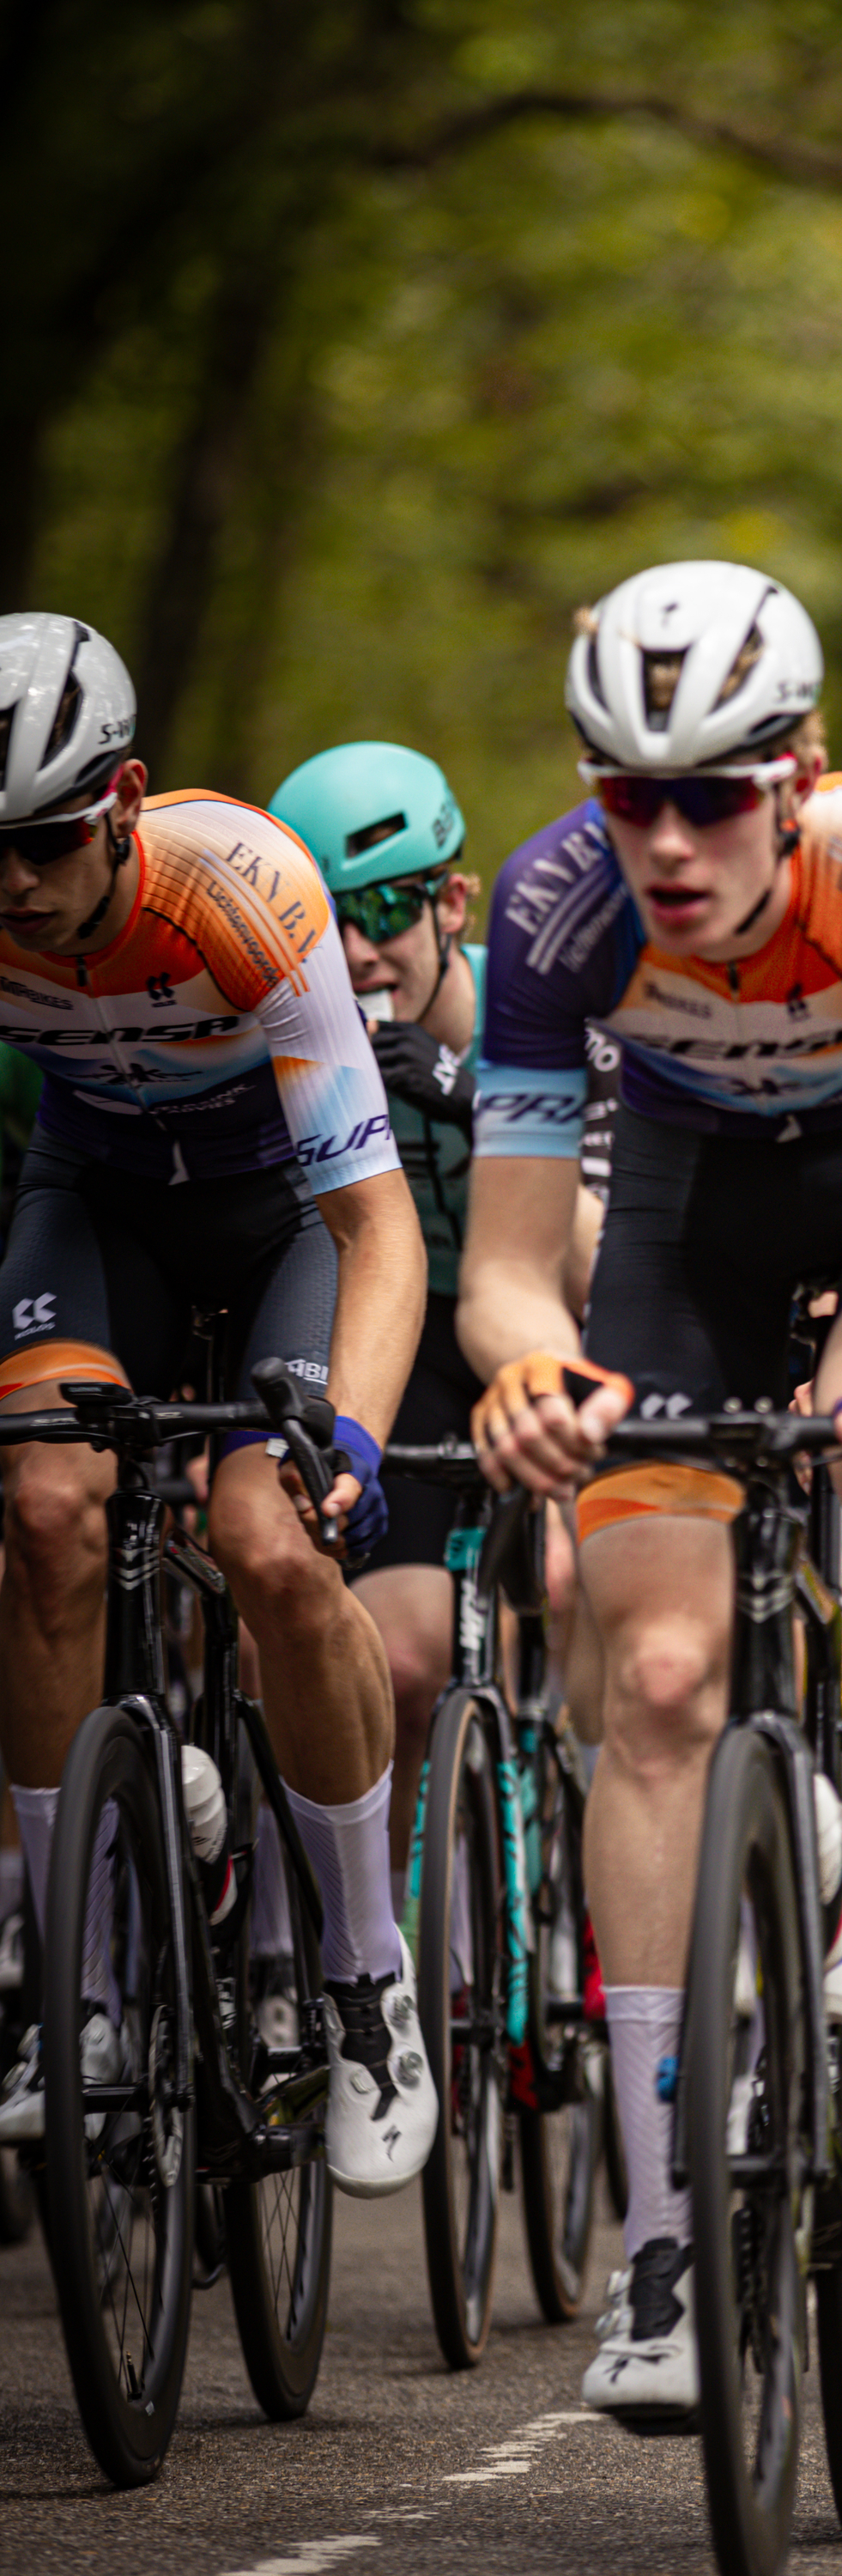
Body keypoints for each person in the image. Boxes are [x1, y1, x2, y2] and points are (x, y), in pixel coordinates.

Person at [457, 560, 842, 2423]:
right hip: (687, 1230)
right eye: (625, 790)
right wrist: (529, 1370)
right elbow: (502, 1263)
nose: (666, 838)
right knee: (644, 1682)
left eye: (709, 792)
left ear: (796, 773)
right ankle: (659, 2253)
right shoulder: (558, 912)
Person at [0, 612, 435, 2196]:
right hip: (94, 1201)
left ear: (122, 801)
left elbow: (377, 1224)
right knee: (47, 1508)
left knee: (267, 1539)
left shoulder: (242, 892)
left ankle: (368, 1977)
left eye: (43, 844)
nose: (14, 886)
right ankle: (78, 1991)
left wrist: (357, 1443)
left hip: (278, 1220)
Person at [269, 742, 488, 1882]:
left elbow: (613, 1234)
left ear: (454, 900)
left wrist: (463, 1089)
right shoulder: (296, 1040)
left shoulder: (540, 1011)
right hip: (408, 1356)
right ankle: (406, 1939)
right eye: (325, 921)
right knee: (404, 1666)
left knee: (591, 1601)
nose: (357, 951)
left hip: (545, 1334)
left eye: (390, 907)